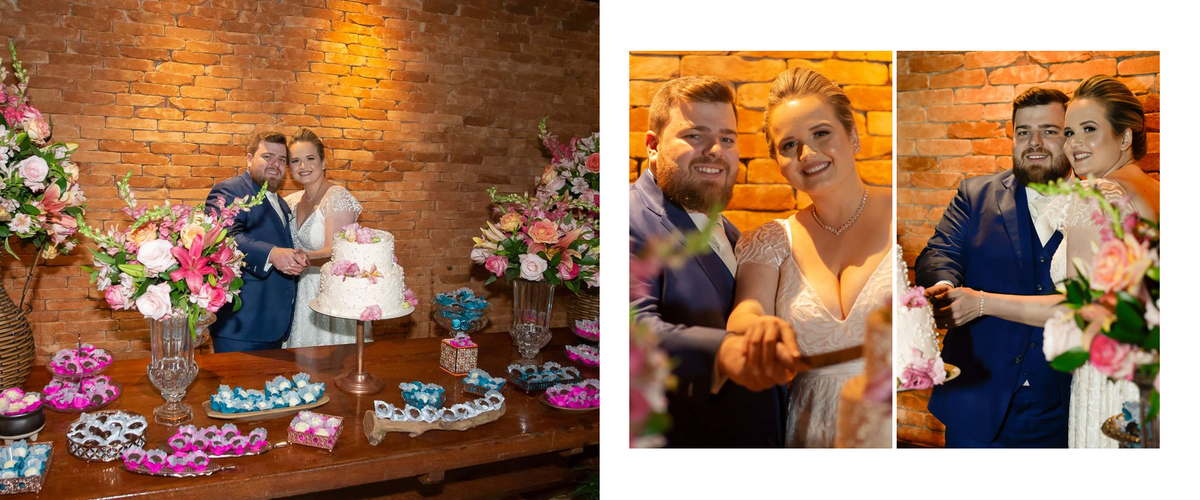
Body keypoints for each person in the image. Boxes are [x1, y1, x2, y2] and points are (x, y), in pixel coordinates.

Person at [931, 76, 1159, 447]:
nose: (1075, 143)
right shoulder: (1156, 193)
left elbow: (1080, 310)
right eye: (1071, 132)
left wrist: (982, 303)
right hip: (985, 397)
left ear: (1125, 137)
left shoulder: (1096, 194)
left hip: (1087, 387)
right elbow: (941, 253)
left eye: (1086, 129)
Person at [726, 68, 892, 448]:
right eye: (789, 145)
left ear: (853, 137)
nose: (807, 154)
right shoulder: (770, 240)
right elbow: (746, 312)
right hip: (809, 429)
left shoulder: (904, 215)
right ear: (777, 161)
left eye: (821, 133)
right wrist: (758, 330)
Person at [630, 75, 795, 447]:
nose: (715, 150)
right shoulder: (628, 217)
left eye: (727, 138)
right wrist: (723, 351)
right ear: (653, 145)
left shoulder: (733, 234)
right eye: (694, 135)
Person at [916, 88, 1075, 447]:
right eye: (1023, 132)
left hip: (1063, 400)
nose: (1034, 143)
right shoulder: (974, 195)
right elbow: (939, 253)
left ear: (1070, 136)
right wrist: (944, 286)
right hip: (977, 395)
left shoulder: (1098, 201)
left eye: (1049, 131)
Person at [205, 132, 306, 353]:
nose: (275, 164)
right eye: (267, 156)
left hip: (274, 324)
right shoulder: (229, 190)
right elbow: (222, 238)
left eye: (281, 159)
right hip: (241, 326)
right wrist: (272, 254)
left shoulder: (281, 203)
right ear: (249, 158)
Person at [282, 129, 364, 348]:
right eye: (296, 161)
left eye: (310, 158)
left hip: (327, 290)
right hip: (297, 292)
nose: (303, 166)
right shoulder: (290, 201)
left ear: (324, 162)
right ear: (289, 169)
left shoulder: (337, 197)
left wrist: (295, 258)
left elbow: (337, 252)